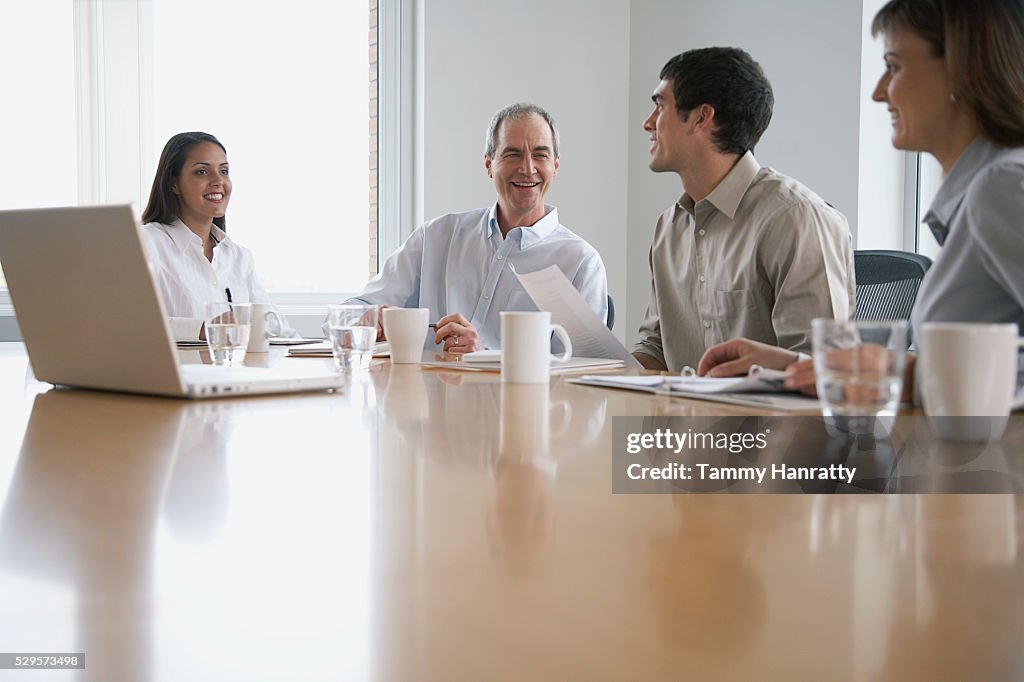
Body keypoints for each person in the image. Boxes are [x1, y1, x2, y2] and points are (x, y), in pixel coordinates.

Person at [698, 0, 1024, 395]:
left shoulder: (1004, 187)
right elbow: (959, 369)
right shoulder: (985, 191)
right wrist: (800, 367)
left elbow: (959, 380)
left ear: (963, 70)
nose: (878, 93)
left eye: (893, 66)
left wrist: (896, 375)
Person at [633, 47, 856, 372]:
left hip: (772, 423)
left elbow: (823, 370)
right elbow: (655, 348)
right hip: (686, 422)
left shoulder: (796, 218)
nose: (647, 123)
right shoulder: (668, 228)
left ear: (701, 117)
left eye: (659, 105)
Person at [346, 103, 608, 353]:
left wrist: (486, 357)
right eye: (512, 154)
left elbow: (584, 376)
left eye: (540, 155)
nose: (528, 168)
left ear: (555, 166)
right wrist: (370, 318)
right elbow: (350, 313)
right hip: (426, 397)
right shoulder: (436, 238)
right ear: (488, 165)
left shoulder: (581, 263)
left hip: (521, 401)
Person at [141, 132, 295, 341]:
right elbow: (127, 323)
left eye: (224, 171)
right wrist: (205, 328)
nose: (218, 181)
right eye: (202, 172)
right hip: (175, 373)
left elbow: (279, 330)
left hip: (237, 372)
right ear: (174, 184)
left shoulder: (240, 258)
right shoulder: (148, 242)